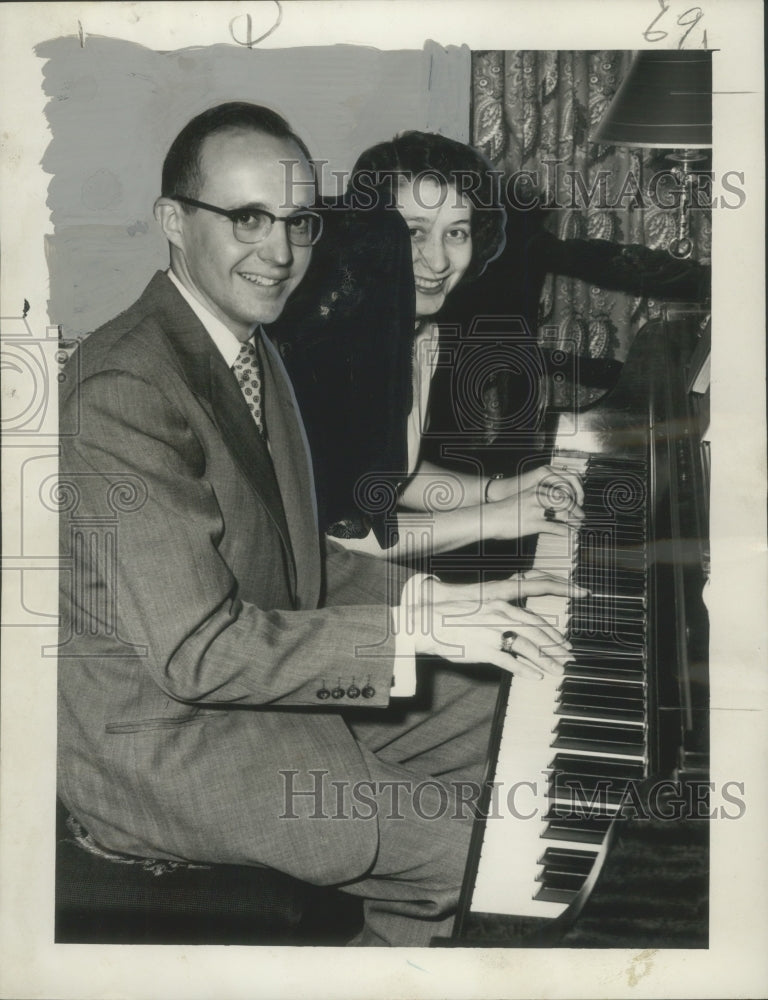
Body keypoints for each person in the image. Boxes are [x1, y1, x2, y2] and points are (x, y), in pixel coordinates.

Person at [57, 102, 582, 948]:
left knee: (526, 718)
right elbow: (196, 651)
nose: (280, 252)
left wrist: (466, 606)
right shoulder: (127, 391)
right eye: (248, 219)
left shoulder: (244, 344)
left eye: (298, 222)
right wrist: (414, 629)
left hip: (265, 678)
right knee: (490, 854)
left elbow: (305, 562)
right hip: (167, 745)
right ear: (173, 222)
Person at [326, 132, 584, 561]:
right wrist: (497, 518)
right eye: (414, 232)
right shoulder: (327, 346)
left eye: (456, 233)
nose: (439, 260)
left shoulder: (424, 332)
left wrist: (499, 489)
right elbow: (339, 536)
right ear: (367, 235)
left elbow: (388, 478)